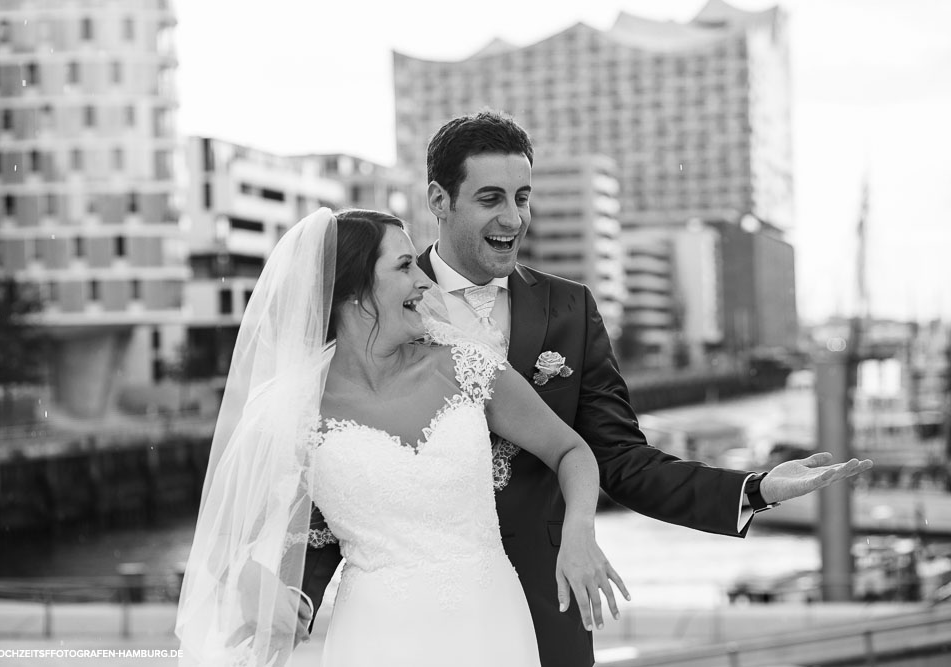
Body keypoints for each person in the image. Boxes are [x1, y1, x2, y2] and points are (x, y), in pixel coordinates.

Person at [301, 111, 873, 667]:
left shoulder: (568, 309)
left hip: (555, 594)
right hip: (404, 624)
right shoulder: (382, 305)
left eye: (522, 197)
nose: (514, 218)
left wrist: (754, 488)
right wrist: (294, 599)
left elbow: (619, 458)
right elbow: (345, 483)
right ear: (439, 200)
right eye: (491, 198)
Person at [176, 208, 632, 667]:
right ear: (354, 292)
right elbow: (220, 541)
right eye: (403, 266)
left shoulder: (466, 366)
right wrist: (251, 580)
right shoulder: (293, 412)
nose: (425, 282)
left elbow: (571, 450)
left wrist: (579, 531)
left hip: (492, 623)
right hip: (375, 639)